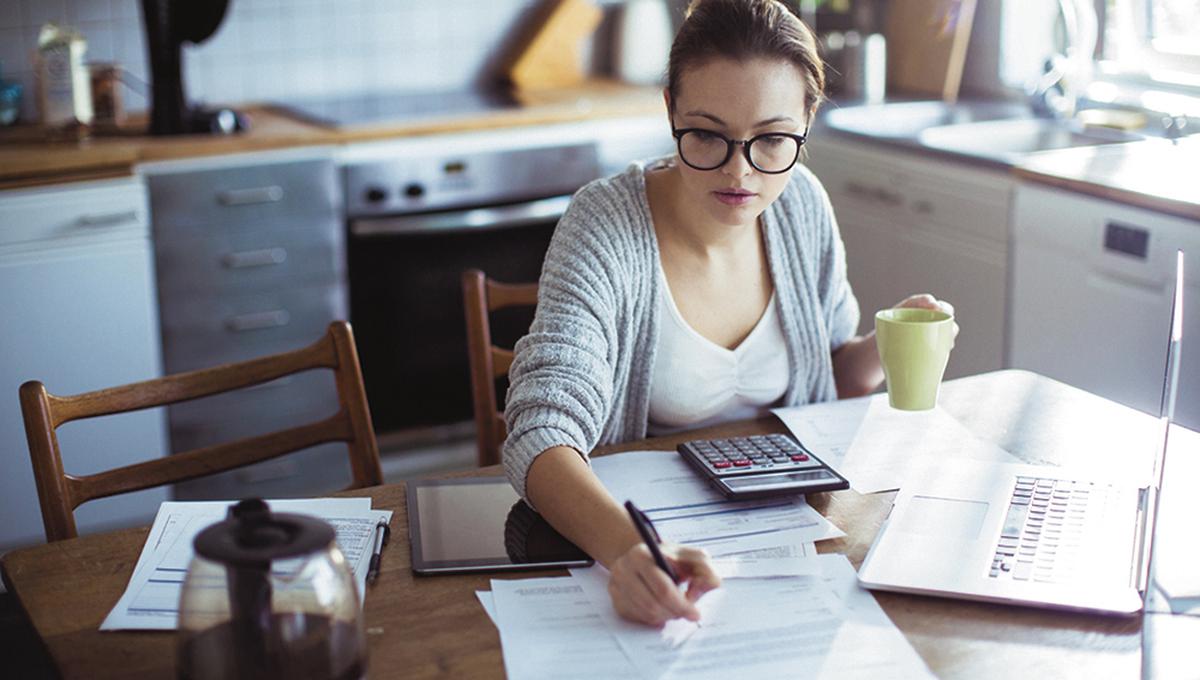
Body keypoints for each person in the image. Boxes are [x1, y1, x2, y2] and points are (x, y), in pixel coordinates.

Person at [502, 0, 955, 627]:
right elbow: (541, 433)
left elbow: (830, 376)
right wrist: (630, 550)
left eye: (771, 138)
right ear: (669, 111)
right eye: (709, 134)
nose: (741, 171)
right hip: (647, 544)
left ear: (806, 121)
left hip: (793, 545)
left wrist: (883, 343)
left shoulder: (802, 207)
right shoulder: (604, 225)